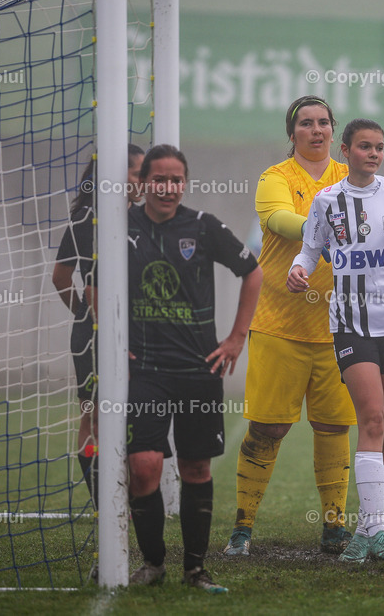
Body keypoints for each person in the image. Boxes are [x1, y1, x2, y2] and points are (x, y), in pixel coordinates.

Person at [91, 144, 262, 592]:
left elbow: (253, 271)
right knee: (143, 465)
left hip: (199, 370)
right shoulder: (120, 227)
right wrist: (111, 342)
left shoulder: (202, 227)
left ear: (184, 183)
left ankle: (195, 569)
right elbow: (92, 285)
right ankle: (153, 563)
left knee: (196, 469)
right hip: (144, 370)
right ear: (143, 182)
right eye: (159, 178)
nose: (167, 187)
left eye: (176, 179)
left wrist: (236, 338)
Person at [287, 118, 384, 563]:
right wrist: (300, 270)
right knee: (370, 419)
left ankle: (368, 530)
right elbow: (309, 250)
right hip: (351, 324)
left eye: (380, 148)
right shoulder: (327, 200)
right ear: (345, 150)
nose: (374, 154)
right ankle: (377, 531)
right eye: (365, 147)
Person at [224, 95, 357, 557]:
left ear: (334, 131)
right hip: (279, 323)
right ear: (293, 132)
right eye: (306, 123)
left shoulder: (353, 177)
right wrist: (335, 229)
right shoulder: (274, 178)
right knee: (267, 428)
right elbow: (278, 221)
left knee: (334, 426)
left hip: (340, 328)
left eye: (323, 122)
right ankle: (242, 528)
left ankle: (335, 528)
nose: (316, 130)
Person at [52, 144, 144, 512]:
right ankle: (103, 497)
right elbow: (65, 277)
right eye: (140, 173)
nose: (146, 181)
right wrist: (86, 317)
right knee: (95, 415)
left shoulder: (143, 218)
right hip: (98, 336)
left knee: (129, 413)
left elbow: (61, 278)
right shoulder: (90, 219)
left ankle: (127, 491)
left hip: (135, 332)